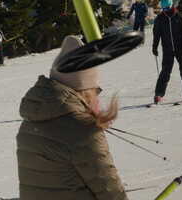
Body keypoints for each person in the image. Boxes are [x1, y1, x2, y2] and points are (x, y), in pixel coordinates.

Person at [16, 35, 127, 200]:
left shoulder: (31, 120)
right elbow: (110, 191)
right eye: (95, 91)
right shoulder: (84, 130)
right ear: (85, 89)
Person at [152, 0, 182, 104]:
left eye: (167, 8)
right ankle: (159, 94)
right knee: (165, 72)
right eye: (163, 9)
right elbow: (156, 34)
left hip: (180, 48)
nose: (165, 11)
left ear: (171, 6)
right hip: (167, 49)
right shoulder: (160, 19)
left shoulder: (180, 17)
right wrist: (154, 46)